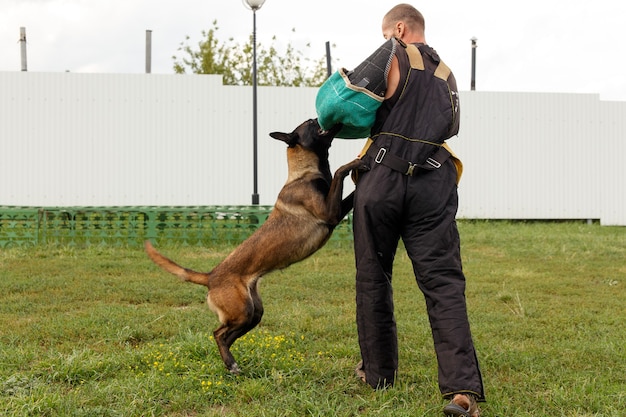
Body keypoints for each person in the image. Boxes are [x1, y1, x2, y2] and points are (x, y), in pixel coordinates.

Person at [316, 4, 485, 417]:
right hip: (433, 180)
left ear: (400, 28)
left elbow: (336, 107)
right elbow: (448, 128)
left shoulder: (392, 53)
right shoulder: (448, 75)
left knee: (373, 276)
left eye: (387, 32)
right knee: (444, 283)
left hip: (384, 182)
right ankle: (462, 391)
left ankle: (378, 374)